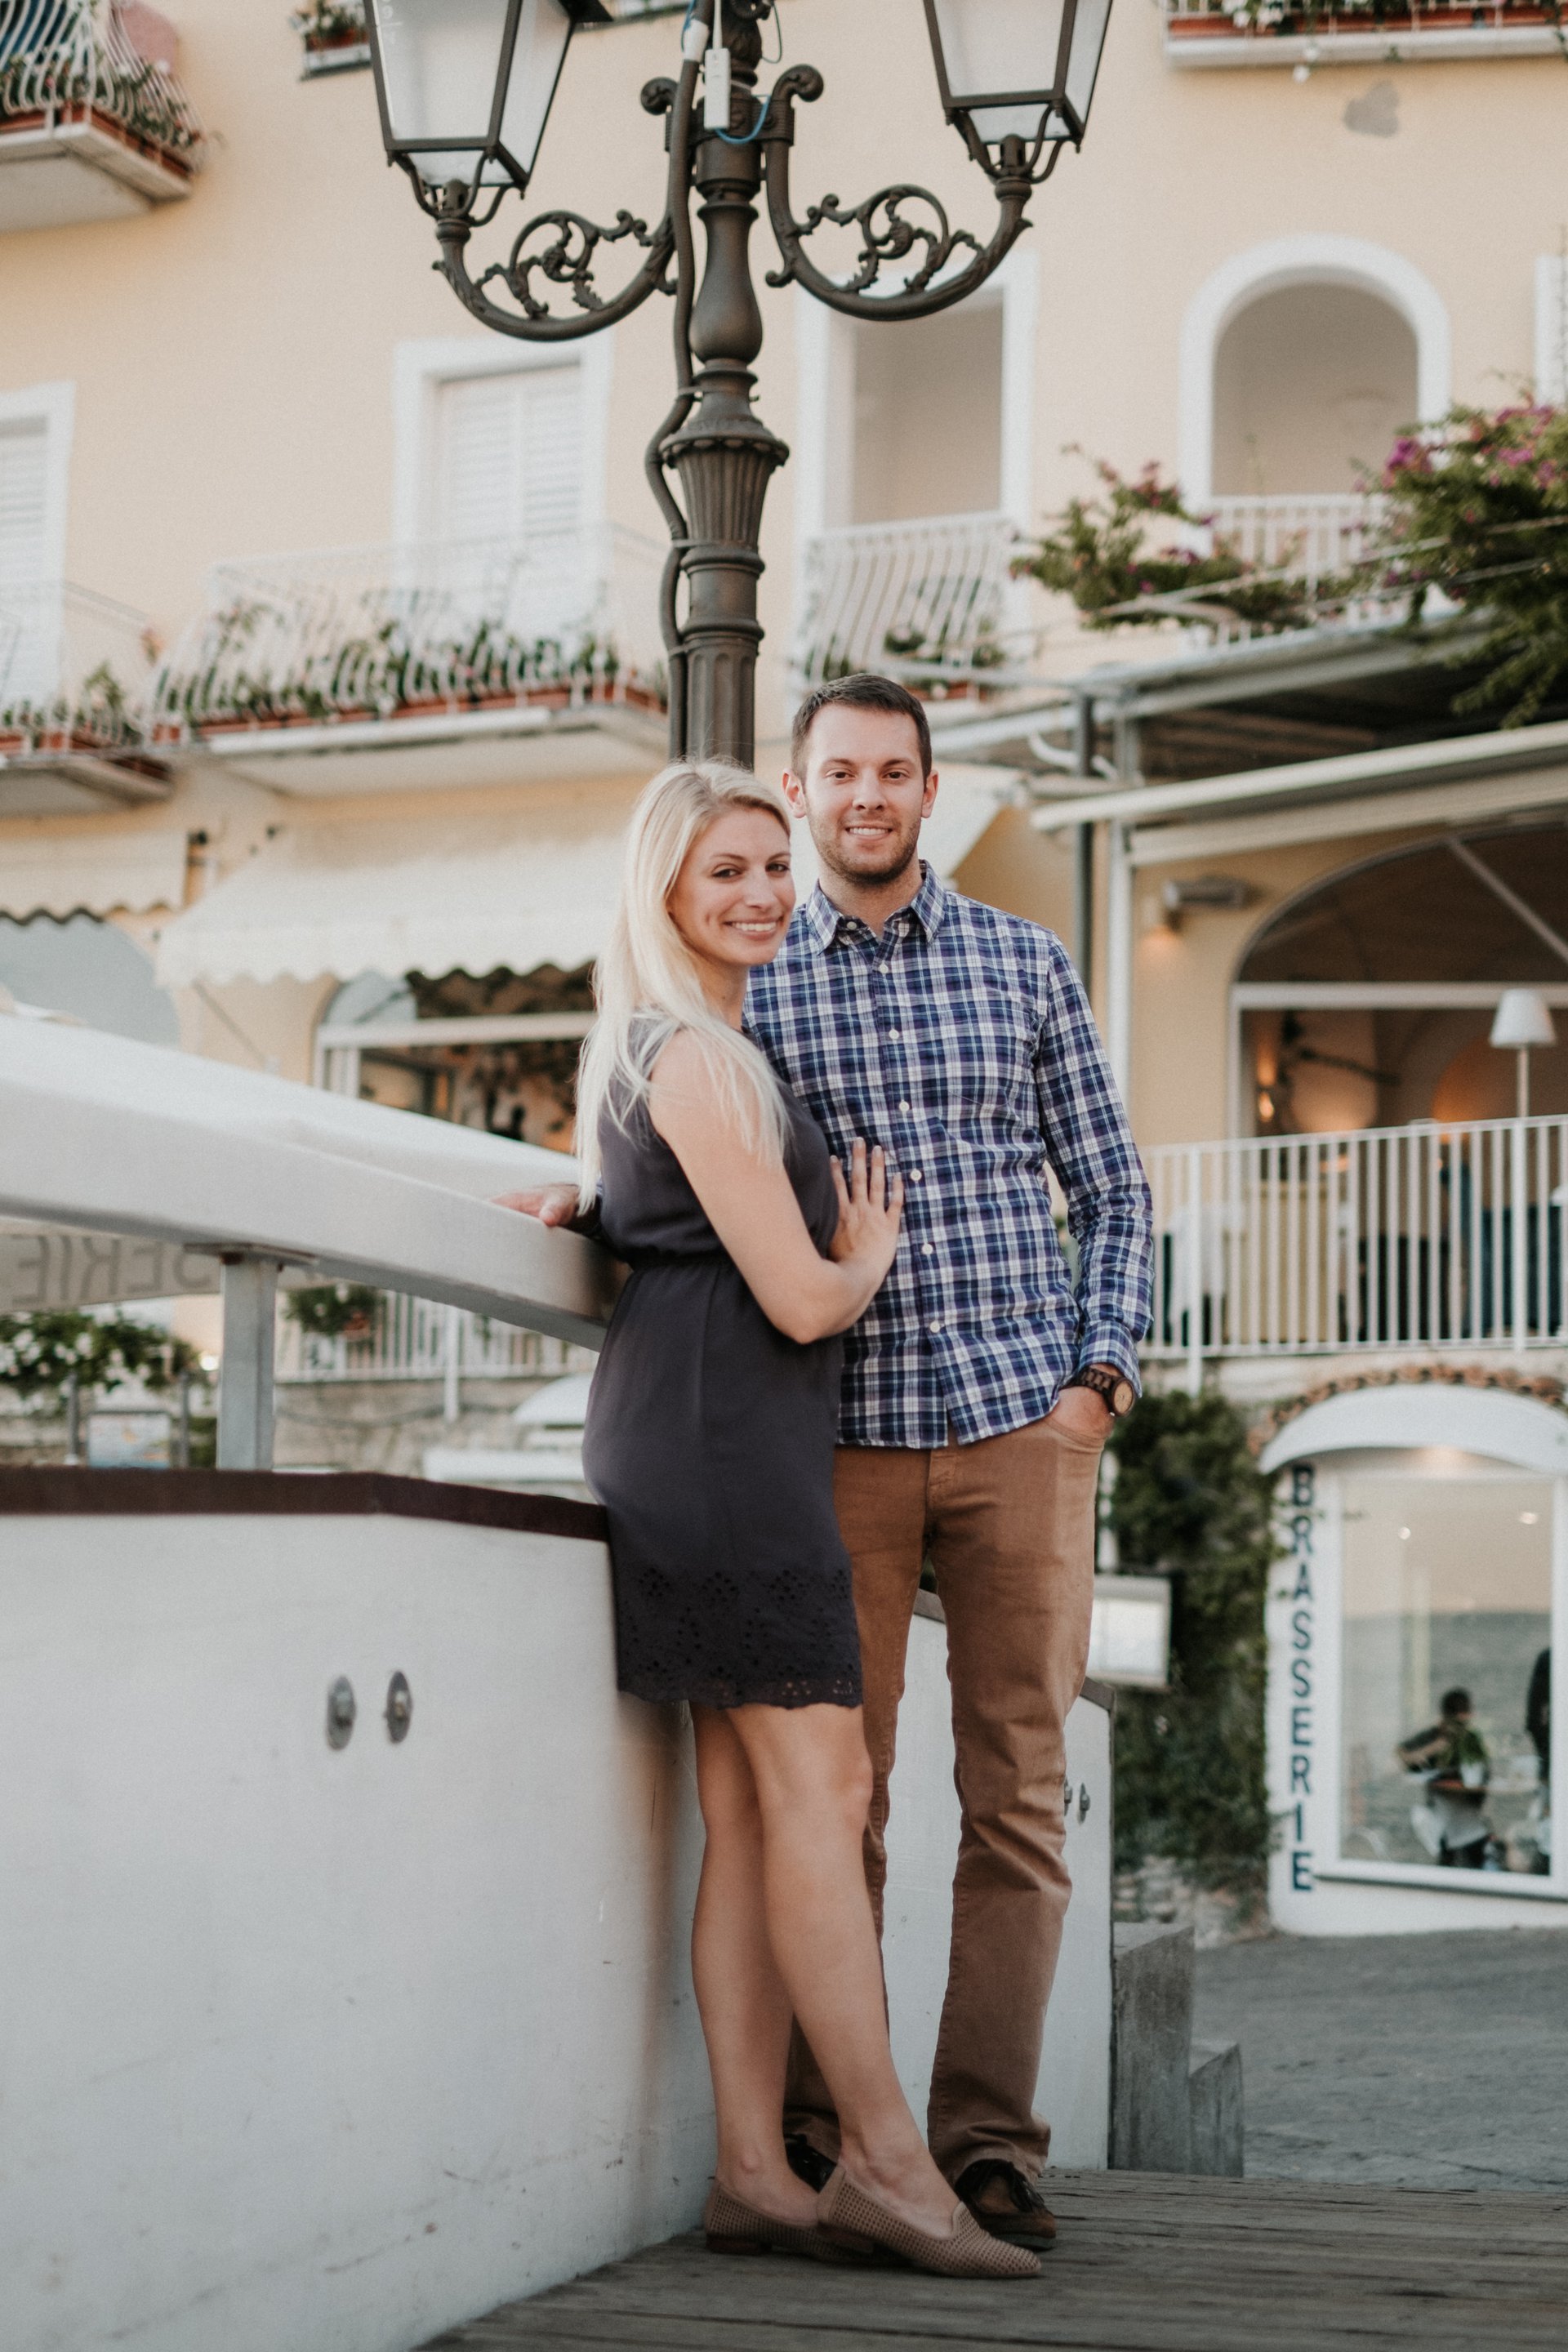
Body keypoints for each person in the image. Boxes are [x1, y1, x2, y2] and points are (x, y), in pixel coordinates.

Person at [497, 758, 1038, 2281]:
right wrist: (865, 1250)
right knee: (826, 1794)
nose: (759, 893)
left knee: (752, 1817)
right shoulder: (697, 1057)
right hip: (727, 1452)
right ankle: (886, 2163)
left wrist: (591, 1205)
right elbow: (798, 1294)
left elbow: (681, 1222)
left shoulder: (679, 1049)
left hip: (701, 1439)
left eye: (769, 867)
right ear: (664, 885)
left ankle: (753, 2169)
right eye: (724, 869)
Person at [747, 673, 1153, 2250]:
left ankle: (988, 2146)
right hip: (830, 1440)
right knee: (831, 1802)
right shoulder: (753, 977)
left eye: (892, 772)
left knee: (1019, 1801)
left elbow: (1113, 1186)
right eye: (837, 772)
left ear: (928, 789)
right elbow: (685, 1152)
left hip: (1018, 1429)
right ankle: (825, 2130)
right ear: (798, 789)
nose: (865, 796)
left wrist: (1096, 1387)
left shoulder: (1024, 961)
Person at [1397, 1687, 1491, 1869]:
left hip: (1470, 1815)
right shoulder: (1434, 1736)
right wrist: (1435, 1747)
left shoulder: (1471, 1740)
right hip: (1441, 1815)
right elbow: (1401, 1755)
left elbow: (1483, 1775)